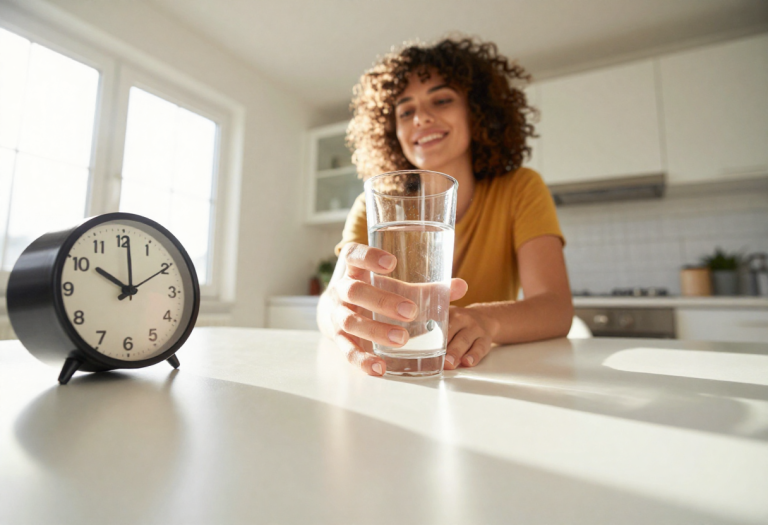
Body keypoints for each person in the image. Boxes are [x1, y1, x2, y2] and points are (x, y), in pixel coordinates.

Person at [317, 36, 573, 376]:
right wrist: (334, 311)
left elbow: (555, 308)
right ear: (392, 131)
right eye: (406, 110)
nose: (421, 118)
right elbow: (332, 298)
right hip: (391, 375)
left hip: (484, 378)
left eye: (441, 100)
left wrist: (486, 320)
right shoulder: (371, 206)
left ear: (477, 112)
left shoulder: (520, 188)